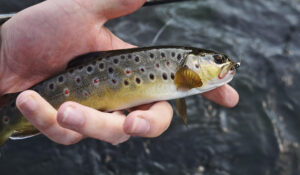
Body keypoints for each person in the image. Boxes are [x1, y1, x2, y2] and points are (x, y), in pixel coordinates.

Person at [0, 0, 239, 145]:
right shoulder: (185, 76)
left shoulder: (187, 81)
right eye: (218, 60)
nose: (224, 64)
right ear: (193, 65)